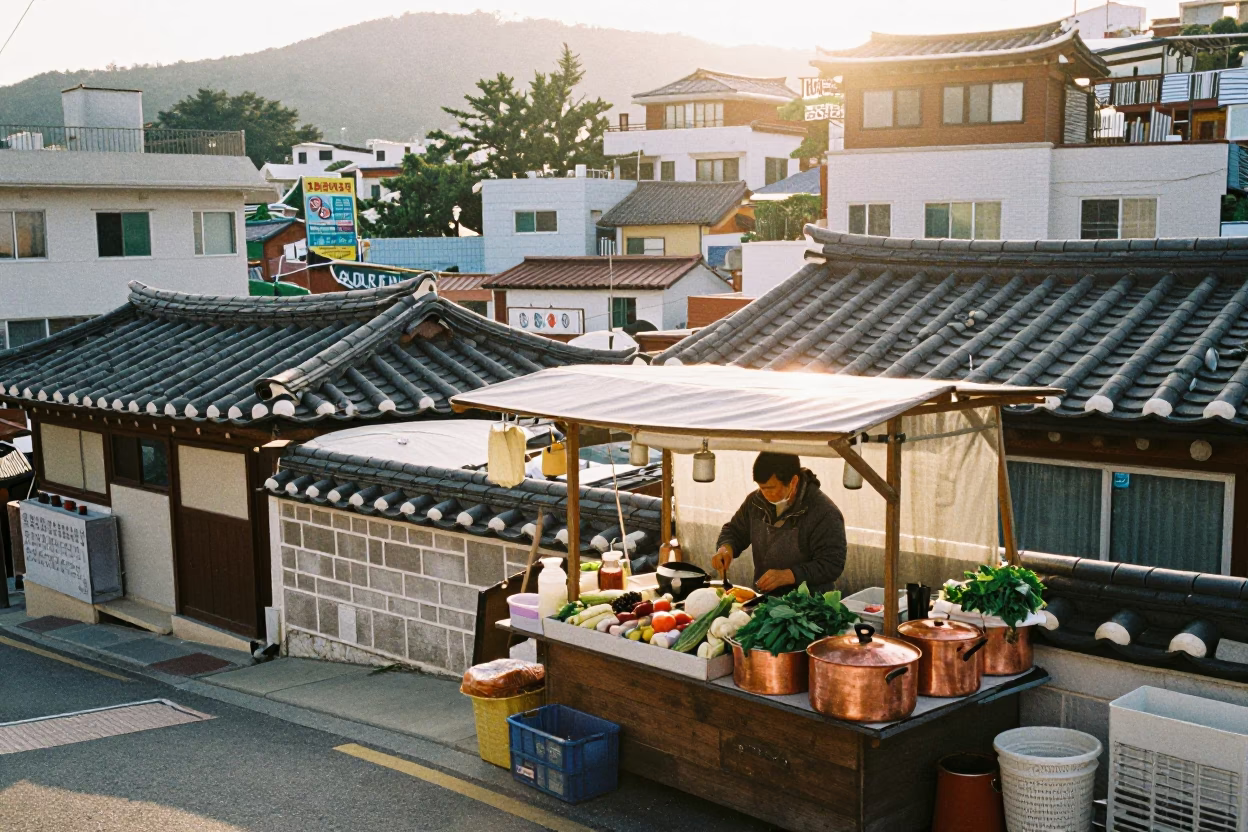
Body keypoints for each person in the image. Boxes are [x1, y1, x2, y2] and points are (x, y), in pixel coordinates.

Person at [710, 452, 847, 595]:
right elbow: (734, 531)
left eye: (771, 488)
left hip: (809, 603)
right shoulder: (755, 502)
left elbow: (832, 564)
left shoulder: (824, 512)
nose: (764, 494)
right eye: (761, 488)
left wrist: (789, 575)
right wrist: (726, 548)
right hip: (765, 600)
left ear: (793, 481)